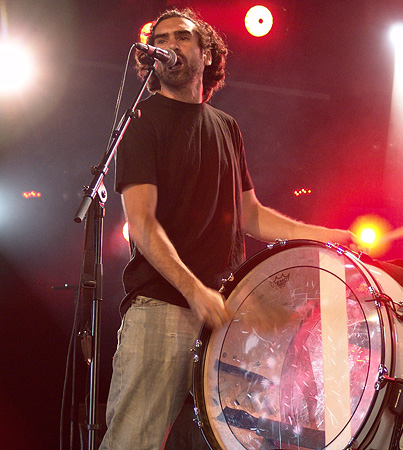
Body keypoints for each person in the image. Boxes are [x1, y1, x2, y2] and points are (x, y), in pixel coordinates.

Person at [100, 7, 356, 450]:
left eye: (182, 37)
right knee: (133, 441)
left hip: (227, 317)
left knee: (233, 441)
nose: (170, 45)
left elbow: (251, 215)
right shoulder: (142, 121)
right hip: (162, 308)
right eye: (161, 38)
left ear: (206, 53)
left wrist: (322, 235)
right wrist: (194, 290)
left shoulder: (227, 128)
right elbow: (141, 222)